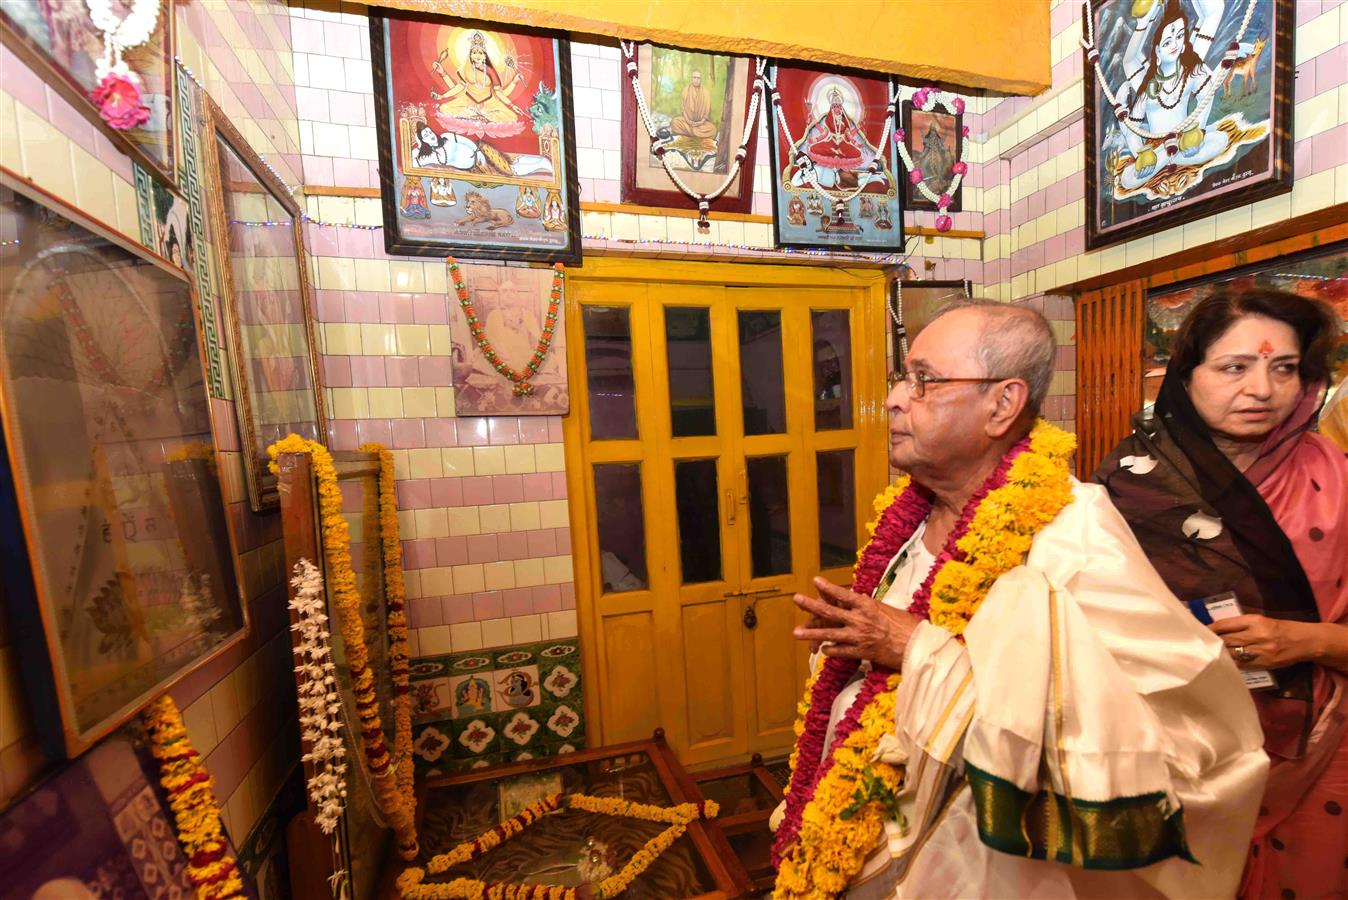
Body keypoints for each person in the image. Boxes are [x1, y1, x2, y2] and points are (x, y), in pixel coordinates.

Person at [771, 301, 1267, 898]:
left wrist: (915, 649)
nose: (898, 399)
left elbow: (1167, 737)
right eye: (902, 378)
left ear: (1002, 405)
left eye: (924, 380)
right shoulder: (910, 517)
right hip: (867, 831)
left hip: (990, 870)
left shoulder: (1074, 535)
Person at [1094, 289, 1348, 900]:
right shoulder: (1129, 486)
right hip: (1173, 752)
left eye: (1283, 368)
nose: (1262, 389)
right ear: (1186, 376)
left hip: (1322, 744)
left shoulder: (1337, 477)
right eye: (1234, 367)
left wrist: (1304, 640)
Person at [670, 69, 718, 144]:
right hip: (687, 122)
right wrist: (688, 121)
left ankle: (690, 134)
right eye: (694, 77)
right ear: (691, 78)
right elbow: (683, 110)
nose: (696, 80)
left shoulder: (706, 93)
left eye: (698, 78)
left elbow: (706, 113)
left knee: (713, 129)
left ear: (701, 79)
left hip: (701, 124)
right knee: (674, 122)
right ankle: (697, 135)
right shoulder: (685, 90)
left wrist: (700, 122)